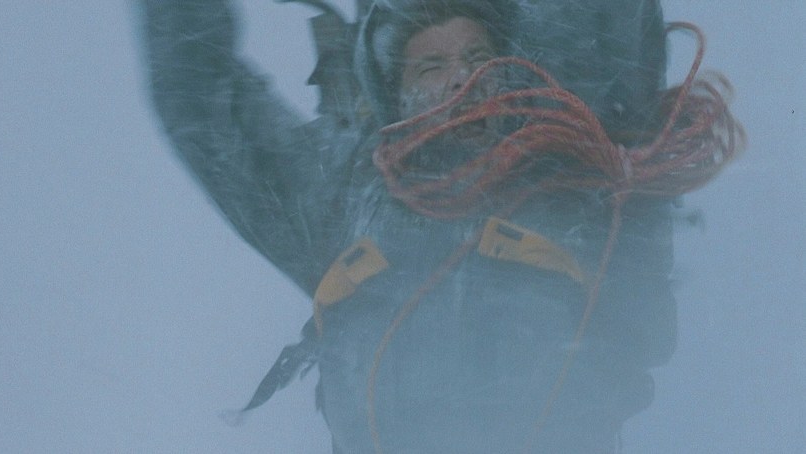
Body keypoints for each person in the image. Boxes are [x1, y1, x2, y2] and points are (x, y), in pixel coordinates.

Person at [140, 1, 689, 452]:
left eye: (479, 57)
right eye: (430, 67)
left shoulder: (571, 172)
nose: (462, 78)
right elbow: (204, 104)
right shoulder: (342, 195)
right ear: (393, 94)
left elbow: (604, 27)